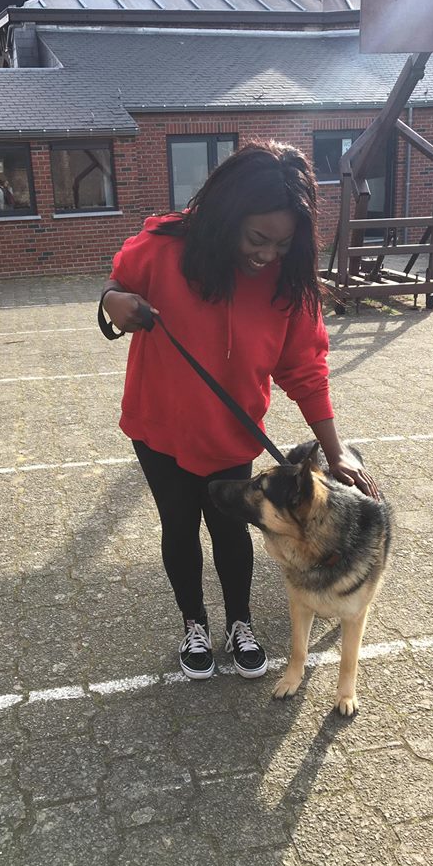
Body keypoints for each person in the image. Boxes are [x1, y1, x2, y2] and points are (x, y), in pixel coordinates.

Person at [100, 140, 378, 682]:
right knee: (179, 527)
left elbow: (305, 369)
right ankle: (194, 624)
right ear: (227, 216)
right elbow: (118, 280)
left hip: (231, 432)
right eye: (257, 239)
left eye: (283, 243)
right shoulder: (163, 248)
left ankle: (239, 623)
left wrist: (335, 449)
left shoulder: (288, 283)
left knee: (232, 531)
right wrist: (113, 301)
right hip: (158, 427)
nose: (268, 255)